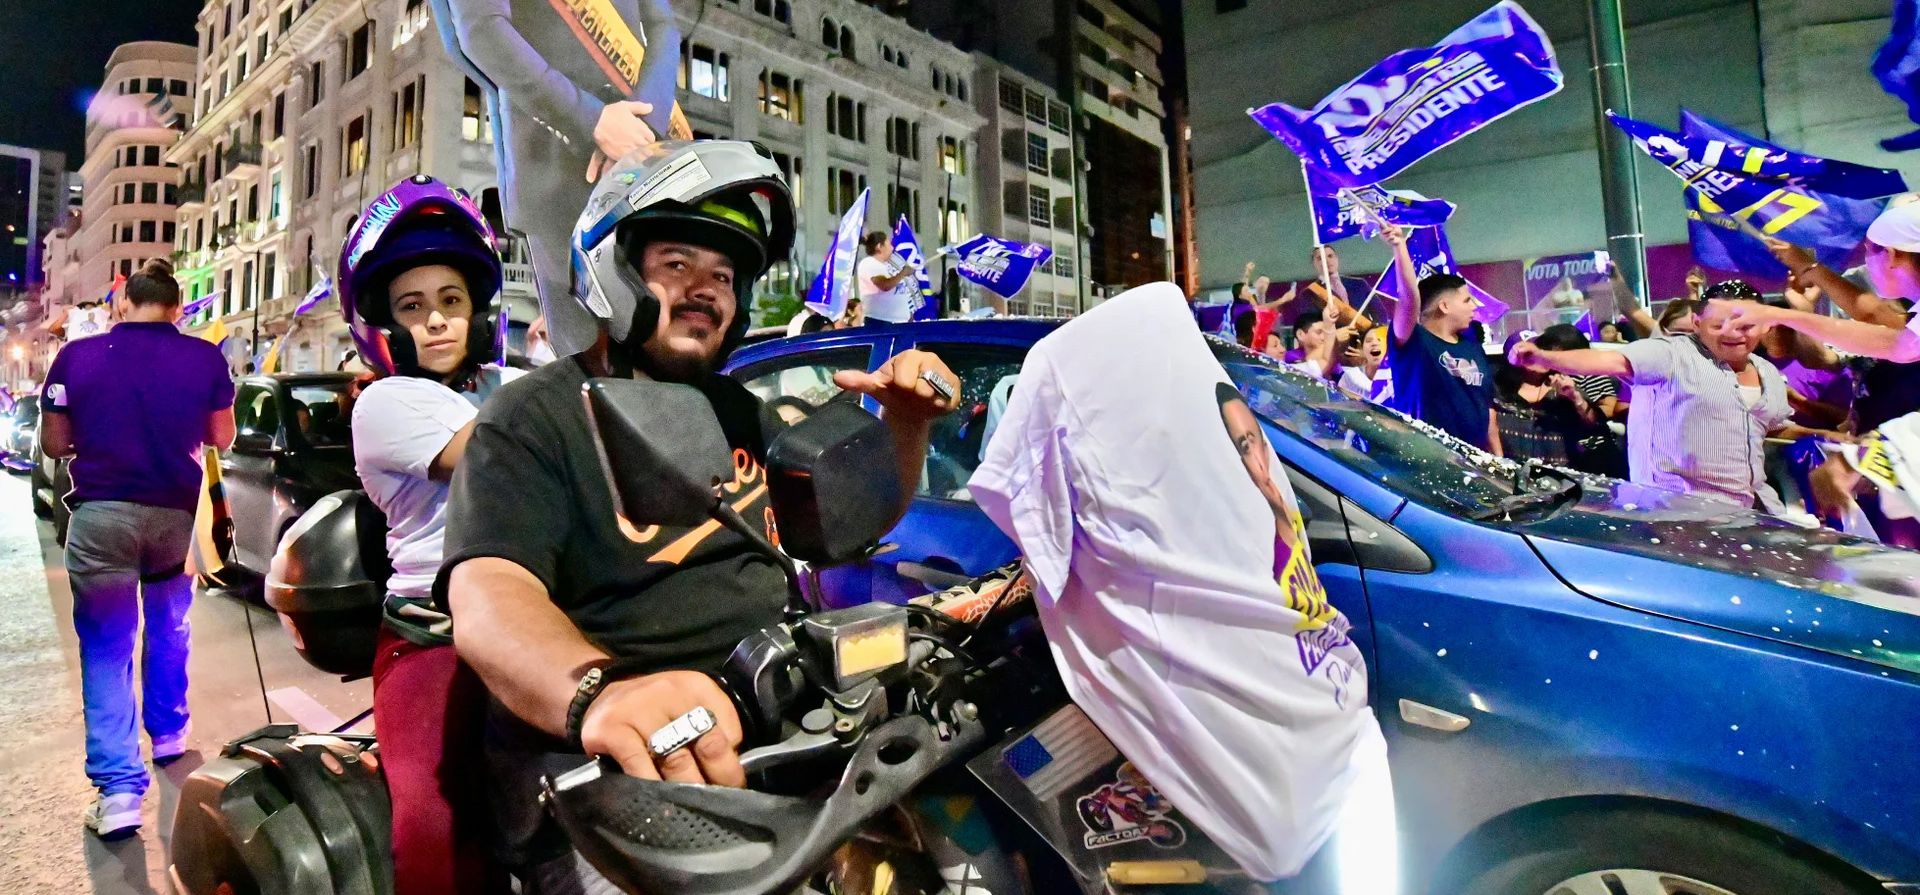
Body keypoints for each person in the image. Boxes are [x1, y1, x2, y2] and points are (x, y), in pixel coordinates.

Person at [434, 141, 959, 890]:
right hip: (620, 778)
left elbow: (849, 522)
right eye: (677, 264)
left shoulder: (743, 411)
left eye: (724, 275)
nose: (706, 289)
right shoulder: (539, 414)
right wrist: (600, 692)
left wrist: (906, 427)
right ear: (617, 270)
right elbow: (489, 594)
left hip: (777, 744)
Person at [337, 176, 522, 894]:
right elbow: (497, 454)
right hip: (434, 636)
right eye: (413, 307)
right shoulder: (386, 403)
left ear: (479, 312)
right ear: (383, 326)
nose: (437, 321)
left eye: (452, 301)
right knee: (436, 828)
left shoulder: (509, 384)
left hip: (535, 617)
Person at [38, 259, 236, 839]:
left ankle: (120, 791)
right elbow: (221, 435)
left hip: (102, 516)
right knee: (171, 623)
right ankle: (170, 733)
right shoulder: (203, 356)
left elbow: (53, 443)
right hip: (176, 514)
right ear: (177, 309)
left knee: (106, 646)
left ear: (123, 305)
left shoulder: (79, 355)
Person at [439, 0, 687, 360]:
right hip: (554, 174)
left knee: (667, 354)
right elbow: (481, 34)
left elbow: (663, 27)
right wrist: (592, 122)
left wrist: (640, 130)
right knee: (589, 368)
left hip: (645, 166)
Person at [1509, 281, 1842, 513]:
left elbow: (1768, 425)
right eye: (1718, 325)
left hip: (1754, 510)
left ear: (1766, 325)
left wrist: (1827, 436)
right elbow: (1612, 360)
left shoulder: (1767, 371)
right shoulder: (1671, 354)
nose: (1732, 333)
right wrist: (1546, 359)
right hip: (1677, 514)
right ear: (1697, 322)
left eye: (1745, 325)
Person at [1383, 224, 1502, 454]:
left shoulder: (1473, 348)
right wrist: (1399, 247)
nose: (1474, 307)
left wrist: (1498, 460)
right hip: (1427, 462)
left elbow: (1486, 410)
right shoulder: (1413, 343)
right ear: (1444, 306)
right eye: (1467, 300)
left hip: (1475, 465)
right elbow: (1408, 298)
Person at [1494, 326, 1618, 474]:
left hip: (1559, 477)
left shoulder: (1562, 384)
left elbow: (1593, 423)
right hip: (1512, 473)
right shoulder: (1499, 391)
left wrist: (1574, 397)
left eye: (1541, 350)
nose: (1538, 357)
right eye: (1528, 353)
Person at [856, 231, 919, 325]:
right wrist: (902, 273)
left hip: (898, 322)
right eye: (888, 244)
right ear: (879, 246)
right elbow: (885, 285)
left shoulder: (885, 266)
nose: (892, 248)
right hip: (882, 322)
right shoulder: (869, 263)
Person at [1286, 309, 1341, 385]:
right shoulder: (1290, 358)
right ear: (1300, 334)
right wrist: (1333, 337)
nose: (1323, 337)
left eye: (1325, 333)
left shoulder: (1333, 357)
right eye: (1318, 332)